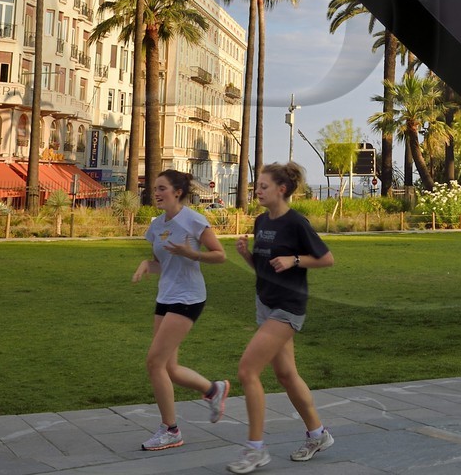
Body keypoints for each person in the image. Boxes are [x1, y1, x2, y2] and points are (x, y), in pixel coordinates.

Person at [227, 162, 335, 473]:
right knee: (286, 375)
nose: (257, 190)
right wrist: (247, 255)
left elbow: (327, 259)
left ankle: (255, 449)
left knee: (248, 371)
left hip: (288, 306)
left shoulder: (296, 223)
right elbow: (266, 268)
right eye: (256, 186)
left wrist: (295, 259)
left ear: (281, 189)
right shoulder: (261, 221)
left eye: (263, 186)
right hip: (265, 303)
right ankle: (318, 434)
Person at [134, 170, 229, 452]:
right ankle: (213, 390)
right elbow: (161, 262)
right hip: (166, 297)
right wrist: (145, 265)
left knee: (154, 363)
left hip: (188, 297)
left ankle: (170, 430)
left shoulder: (194, 220)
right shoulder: (156, 225)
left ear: (177, 191)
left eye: (162, 188)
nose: (156, 193)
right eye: (155, 188)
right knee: (168, 367)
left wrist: (193, 254)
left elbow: (219, 255)